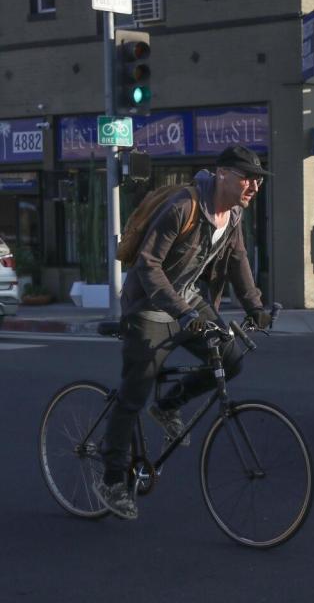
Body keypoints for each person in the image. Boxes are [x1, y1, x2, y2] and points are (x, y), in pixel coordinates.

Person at [94, 145, 273, 520]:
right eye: (246, 177)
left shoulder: (234, 215)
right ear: (222, 174)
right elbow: (148, 264)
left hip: (187, 302)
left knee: (231, 358)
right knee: (133, 396)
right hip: (149, 308)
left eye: (257, 179)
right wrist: (183, 311)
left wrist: (255, 306)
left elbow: (239, 263)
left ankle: (169, 404)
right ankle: (111, 480)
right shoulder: (183, 206)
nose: (254, 185)